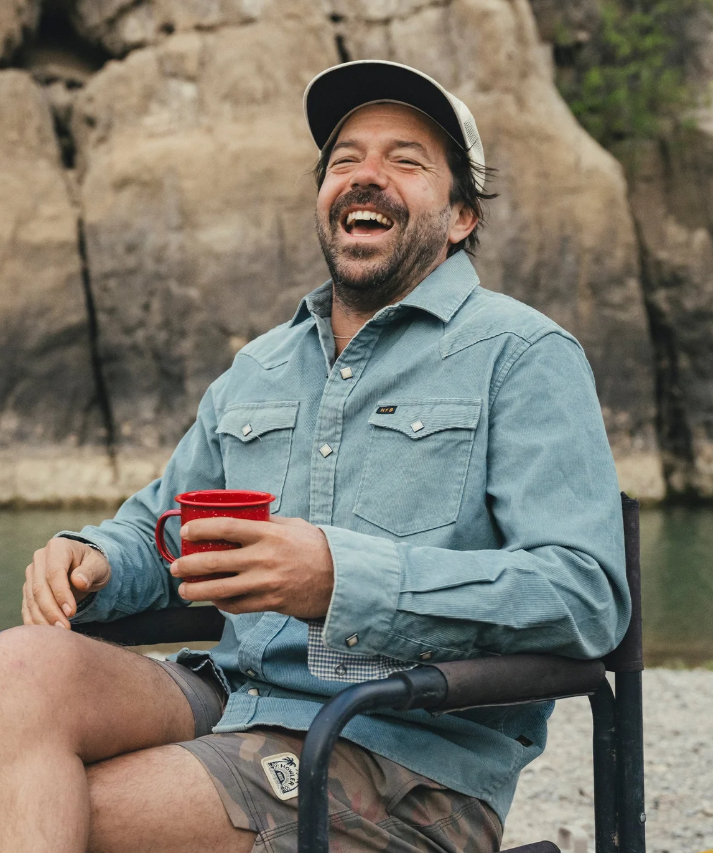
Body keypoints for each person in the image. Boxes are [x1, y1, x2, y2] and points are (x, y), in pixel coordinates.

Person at [1, 61, 630, 853]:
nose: (366, 175)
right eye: (344, 160)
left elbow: (584, 595)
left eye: (405, 160)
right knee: (20, 667)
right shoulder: (260, 366)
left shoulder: (523, 354)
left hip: (398, 748)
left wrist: (340, 579)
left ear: (461, 216)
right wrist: (90, 558)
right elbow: (164, 533)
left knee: (59, 809)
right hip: (227, 694)